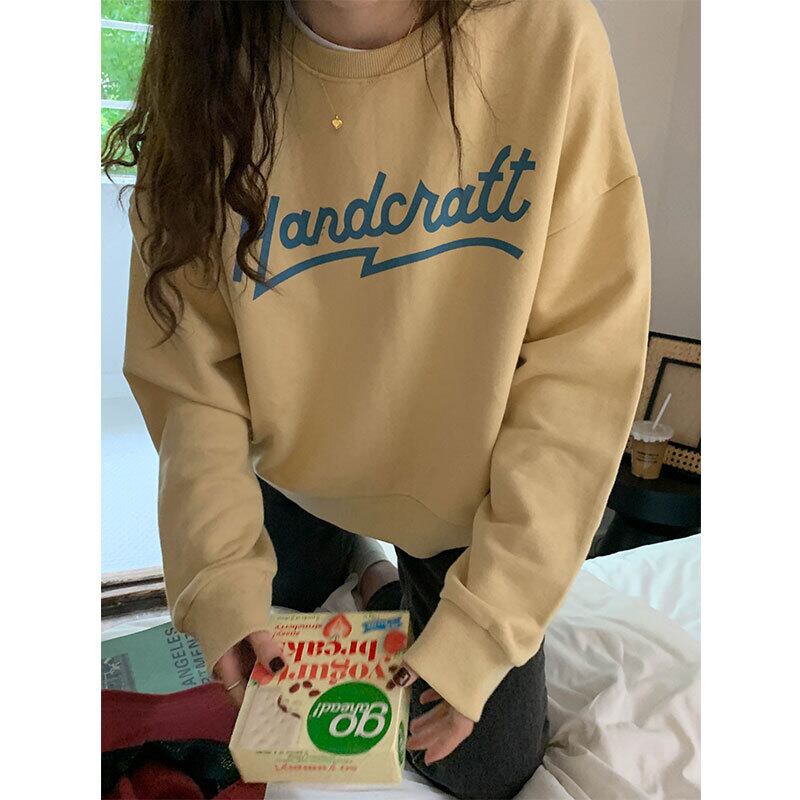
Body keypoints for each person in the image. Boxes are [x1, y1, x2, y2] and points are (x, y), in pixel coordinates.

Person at [104, 0, 651, 796]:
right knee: (263, 686)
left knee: (485, 767)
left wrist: (486, 625)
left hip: (459, 497)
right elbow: (190, 374)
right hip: (296, 476)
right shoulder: (208, 48)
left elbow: (582, 361)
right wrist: (219, 574)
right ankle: (359, 561)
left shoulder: (549, 34)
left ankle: (379, 579)